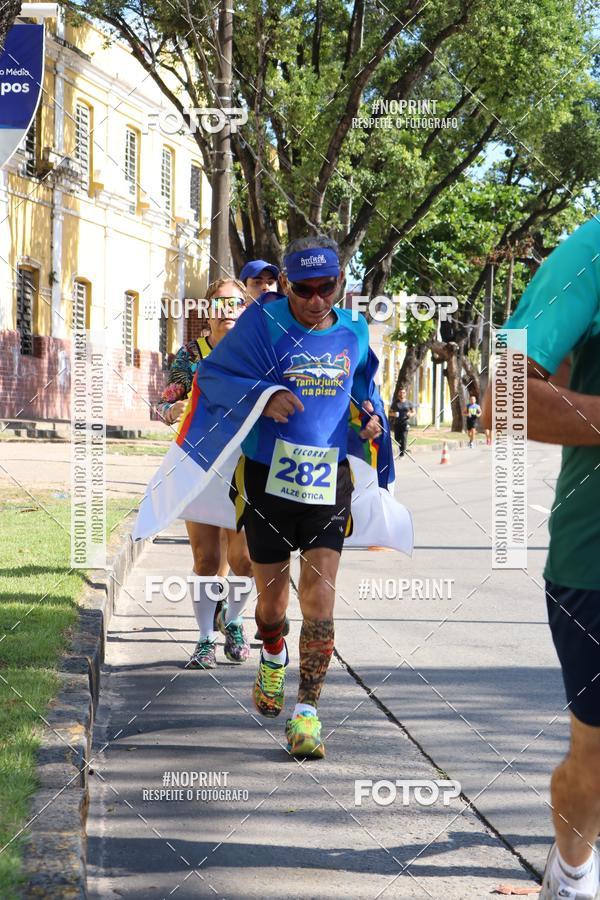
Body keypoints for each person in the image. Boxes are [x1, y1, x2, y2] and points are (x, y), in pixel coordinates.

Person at [227, 235, 387, 759]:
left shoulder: (354, 331)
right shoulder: (262, 323)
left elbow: (365, 390)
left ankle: (307, 714)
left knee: (319, 597)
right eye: (305, 289)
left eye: (328, 288)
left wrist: (372, 419)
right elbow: (217, 374)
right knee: (271, 604)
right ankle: (272, 653)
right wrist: (263, 395)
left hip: (327, 480)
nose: (317, 300)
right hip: (267, 478)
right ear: (286, 284)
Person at [482, 217, 600, 900]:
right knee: (595, 756)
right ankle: (573, 872)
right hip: (595, 564)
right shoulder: (587, 253)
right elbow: (506, 396)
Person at [157, 278, 254, 669]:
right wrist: (169, 412)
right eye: (221, 304)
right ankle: (203, 640)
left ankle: (233, 621)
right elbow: (166, 401)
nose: (228, 311)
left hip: (245, 468)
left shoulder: (255, 355)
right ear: (208, 310)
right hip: (197, 466)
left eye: (236, 305)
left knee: (244, 559)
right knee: (207, 559)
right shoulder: (190, 356)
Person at [389, 387, 414, 456]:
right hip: (397, 423)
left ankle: (402, 453)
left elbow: (414, 412)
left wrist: (410, 414)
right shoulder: (395, 403)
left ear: (405, 394)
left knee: (404, 437)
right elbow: (390, 412)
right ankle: (403, 449)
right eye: (401, 392)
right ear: (398, 393)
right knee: (397, 439)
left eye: (403, 392)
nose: (402, 394)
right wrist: (394, 414)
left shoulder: (408, 403)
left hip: (405, 423)